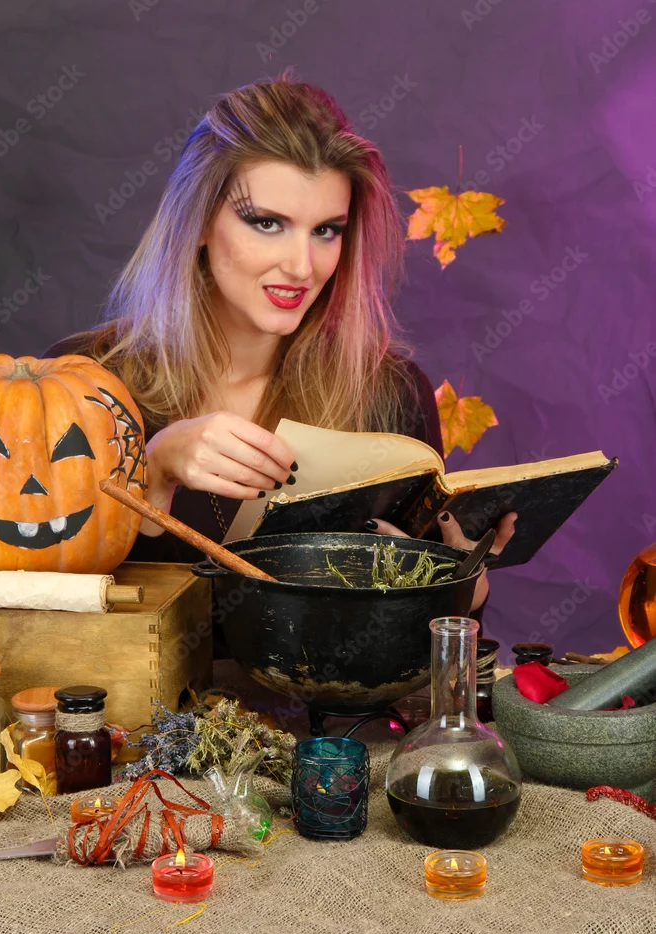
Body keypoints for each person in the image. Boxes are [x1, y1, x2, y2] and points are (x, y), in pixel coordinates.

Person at [44, 70, 516, 619]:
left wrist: (459, 585)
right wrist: (153, 471)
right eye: (267, 223)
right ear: (198, 222)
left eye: (326, 230)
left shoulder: (389, 394)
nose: (301, 266)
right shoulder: (81, 384)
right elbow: (42, 608)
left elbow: (426, 639)